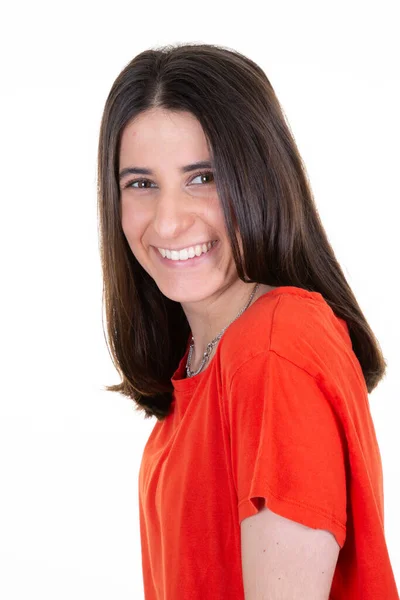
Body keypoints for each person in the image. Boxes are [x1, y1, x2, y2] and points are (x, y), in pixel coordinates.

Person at [96, 43, 399, 599]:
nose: (167, 221)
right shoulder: (203, 365)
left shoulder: (273, 345)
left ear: (258, 178)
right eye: (141, 183)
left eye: (202, 178)